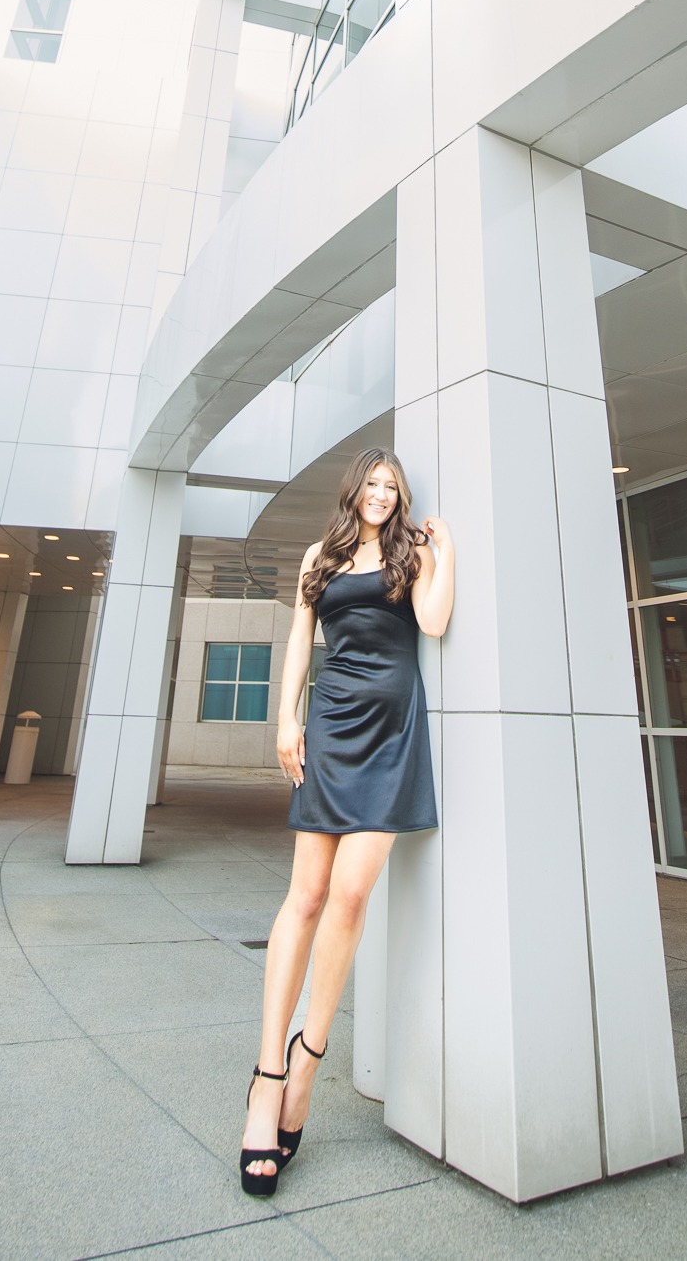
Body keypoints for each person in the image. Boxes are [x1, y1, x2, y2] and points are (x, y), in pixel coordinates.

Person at [239, 446, 455, 1195]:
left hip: (392, 732)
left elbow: (432, 623)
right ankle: (267, 1079)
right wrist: (284, 717)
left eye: (392, 488)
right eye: (373, 484)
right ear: (353, 490)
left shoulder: (409, 556)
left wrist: (446, 551)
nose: (382, 496)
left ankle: (308, 1062)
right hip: (330, 726)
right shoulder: (320, 556)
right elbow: (303, 639)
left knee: (353, 896)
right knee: (305, 896)